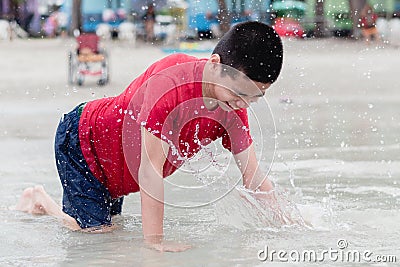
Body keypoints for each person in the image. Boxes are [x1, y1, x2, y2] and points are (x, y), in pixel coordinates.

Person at [15, 21, 283, 252]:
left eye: (255, 97)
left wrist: (286, 222)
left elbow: (253, 175)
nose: (244, 104)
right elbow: (150, 170)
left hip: (116, 170)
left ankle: (39, 201)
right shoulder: (170, 82)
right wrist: (155, 242)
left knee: (109, 230)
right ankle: (43, 202)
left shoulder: (233, 109)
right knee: (97, 241)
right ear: (215, 65)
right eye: (240, 93)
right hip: (83, 142)